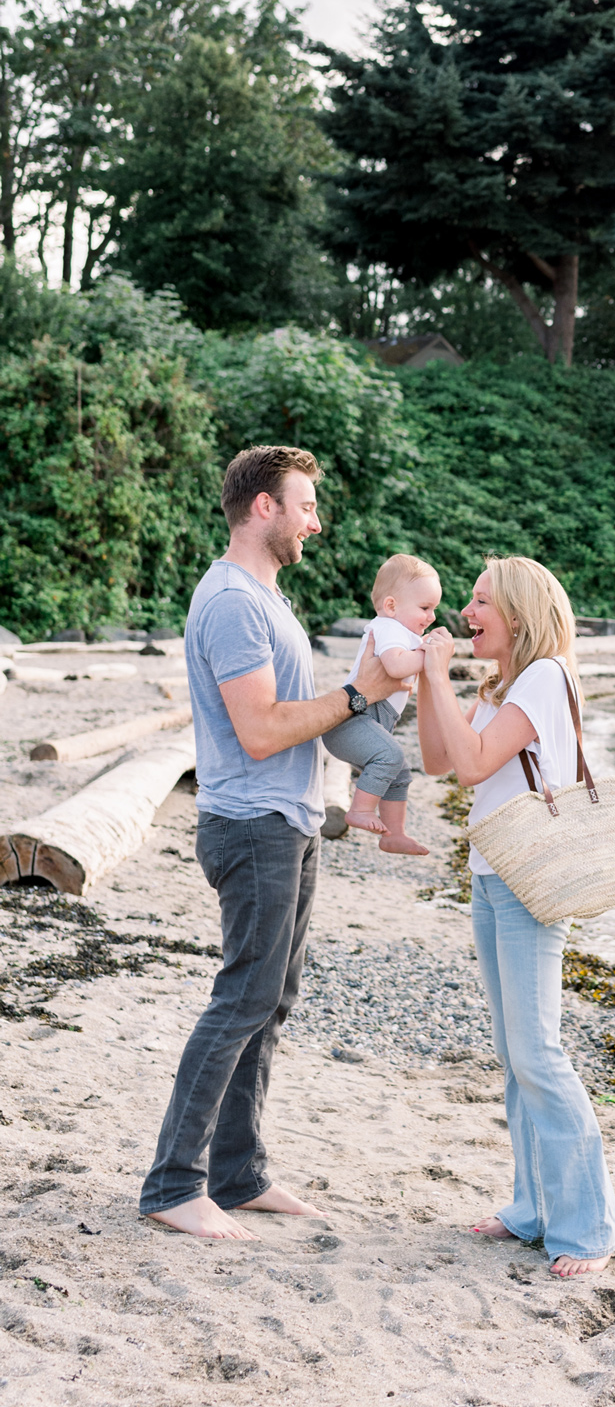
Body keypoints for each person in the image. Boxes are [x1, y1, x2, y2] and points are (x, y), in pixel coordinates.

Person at [140, 444, 394, 1241]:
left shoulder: (268, 598)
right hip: (251, 825)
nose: (317, 522)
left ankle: (237, 1175)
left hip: (289, 821)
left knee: (270, 1002)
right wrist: (360, 694)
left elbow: (295, 716)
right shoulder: (231, 603)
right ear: (263, 508)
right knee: (242, 999)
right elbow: (259, 730)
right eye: (306, 506)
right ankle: (172, 1185)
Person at [416, 555, 615, 1278]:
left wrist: (442, 675)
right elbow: (440, 758)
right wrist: (429, 677)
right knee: (515, 1054)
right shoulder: (506, 683)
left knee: (538, 1053)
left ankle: (590, 1225)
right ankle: (535, 1207)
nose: (467, 612)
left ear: (519, 614)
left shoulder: (544, 675)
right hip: (492, 876)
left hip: (531, 885)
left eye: (481, 601)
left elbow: (474, 765)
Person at [323, 552, 437, 854]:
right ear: (391, 606)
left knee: (399, 770)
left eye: (434, 608)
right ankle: (358, 811)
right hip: (352, 721)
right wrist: (430, 653)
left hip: (372, 722)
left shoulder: (404, 632)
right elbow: (397, 667)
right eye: (425, 608)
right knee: (391, 755)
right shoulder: (388, 628)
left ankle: (394, 834)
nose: (432, 616)